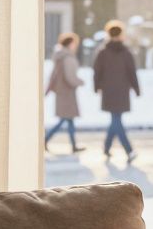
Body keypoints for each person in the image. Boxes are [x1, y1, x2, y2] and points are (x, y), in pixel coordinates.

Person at [92, 21, 140, 161]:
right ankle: (129, 150)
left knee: (115, 119)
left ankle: (106, 147)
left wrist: (96, 86)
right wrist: (136, 88)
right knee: (116, 119)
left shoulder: (102, 52)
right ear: (121, 34)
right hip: (122, 90)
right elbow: (132, 72)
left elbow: (97, 71)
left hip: (108, 90)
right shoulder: (126, 52)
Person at [43, 32, 86, 154]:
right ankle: (45, 139)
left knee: (69, 119)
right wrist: (80, 82)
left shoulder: (61, 56)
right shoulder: (67, 57)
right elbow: (70, 77)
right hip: (67, 93)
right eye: (74, 43)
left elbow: (54, 75)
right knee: (65, 119)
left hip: (63, 92)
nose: (75, 45)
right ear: (70, 43)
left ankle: (73, 145)